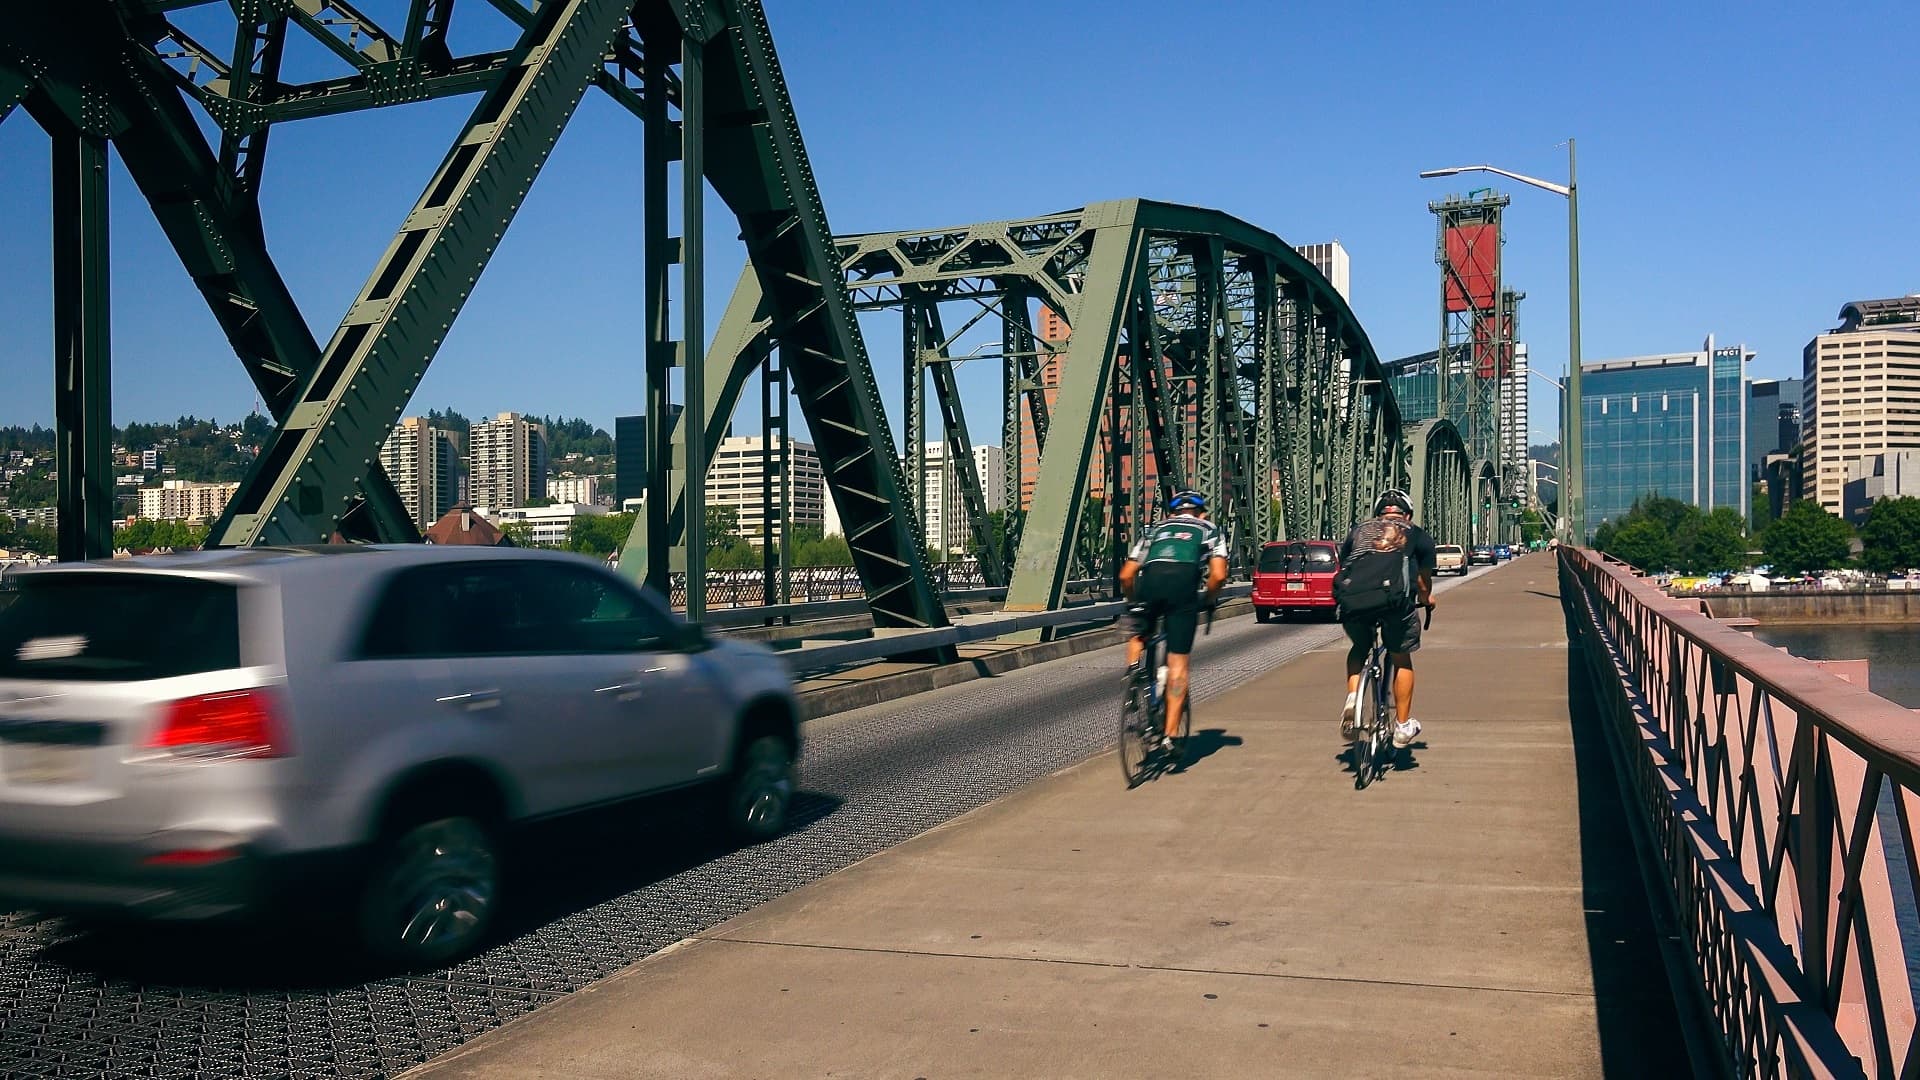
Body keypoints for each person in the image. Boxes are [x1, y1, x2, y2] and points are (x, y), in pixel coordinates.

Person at [1119, 489, 1230, 751]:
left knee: (1139, 631)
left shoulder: (1154, 530)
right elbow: (1218, 576)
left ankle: (1133, 672)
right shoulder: (1209, 529)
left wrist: (1133, 602)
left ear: (1171, 513)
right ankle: (1169, 736)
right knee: (1178, 664)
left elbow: (1126, 575)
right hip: (1183, 589)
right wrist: (1209, 599)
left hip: (1150, 583)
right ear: (1201, 512)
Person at [1336, 489, 1437, 748]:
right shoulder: (1416, 533)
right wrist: (1427, 600)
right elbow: (1422, 582)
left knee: (1360, 646)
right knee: (1401, 656)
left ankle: (1352, 698)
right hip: (1394, 603)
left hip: (1355, 600)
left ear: (1378, 514)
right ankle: (1402, 727)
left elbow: (1345, 564)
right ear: (1408, 514)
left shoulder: (1358, 531)